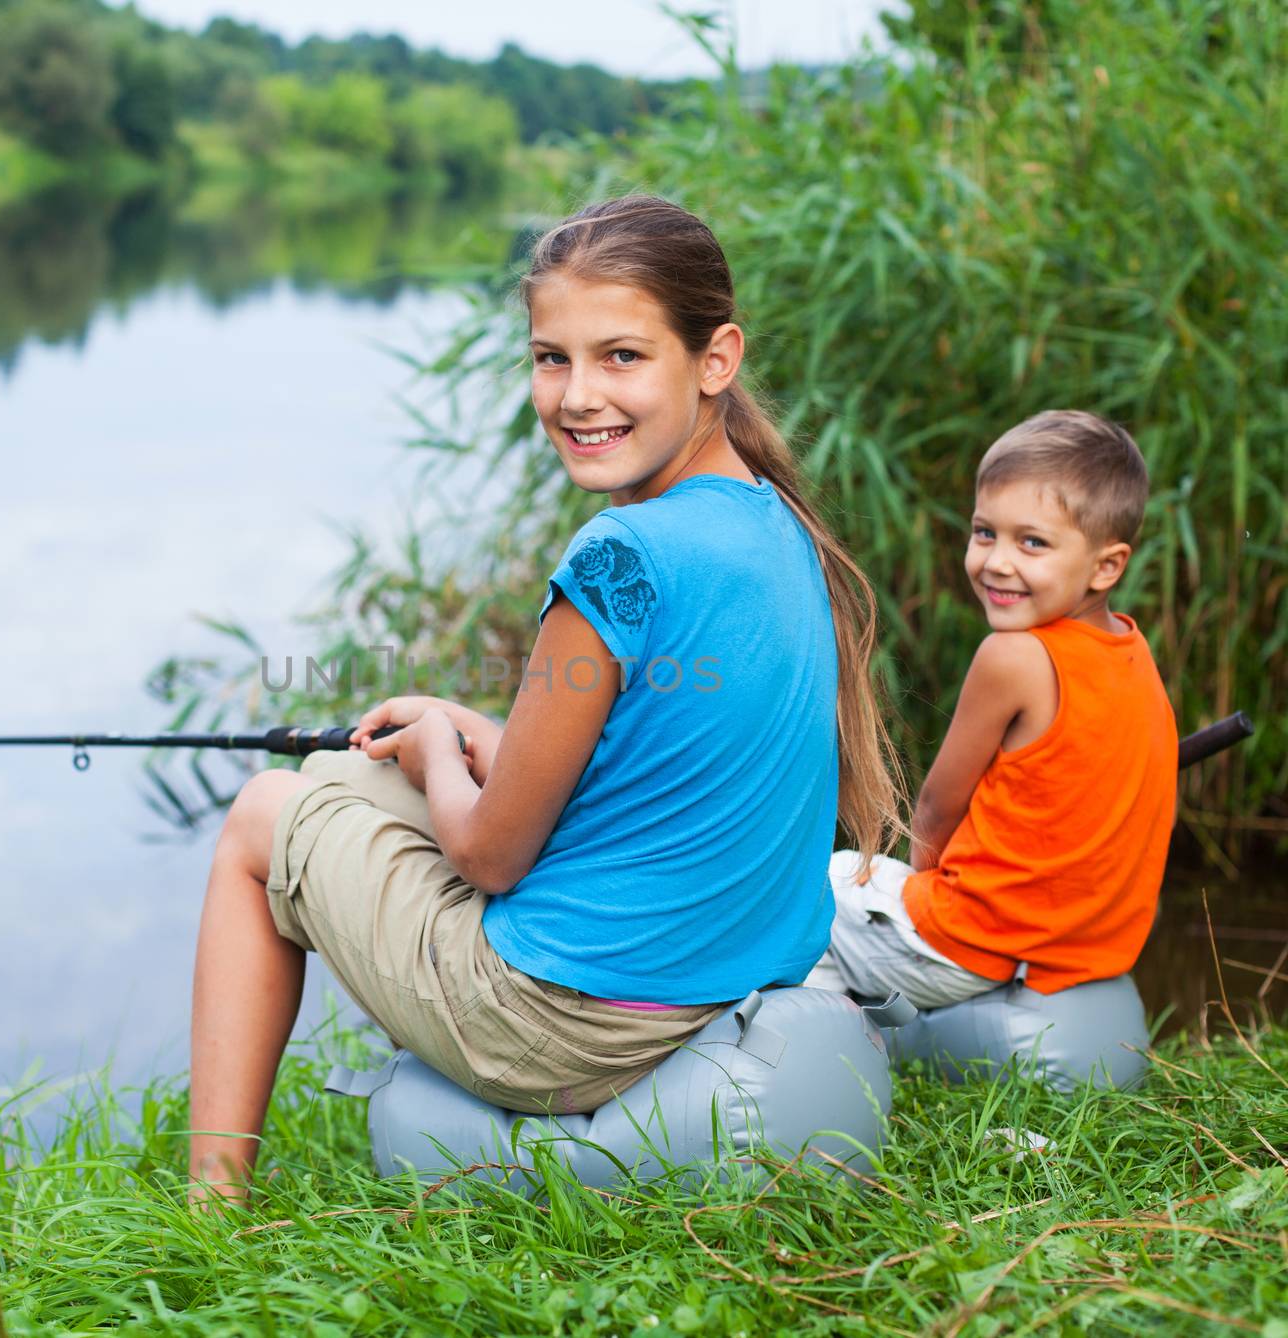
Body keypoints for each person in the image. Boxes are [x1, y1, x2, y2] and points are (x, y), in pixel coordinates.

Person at [188, 195, 902, 1204]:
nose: (575, 396)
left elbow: (489, 857)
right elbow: (658, 742)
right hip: (719, 975)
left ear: (715, 360)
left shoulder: (621, 553)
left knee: (263, 815)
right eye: (550, 358)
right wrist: (479, 733)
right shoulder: (771, 520)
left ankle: (211, 1205)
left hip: (566, 1023)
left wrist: (440, 752)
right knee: (341, 769)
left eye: (620, 357)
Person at [805, 410, 1178, 1009]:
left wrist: (920, 890)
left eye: (1032, 542)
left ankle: (834, 1030)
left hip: (969, 946)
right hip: (1077, 947)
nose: (997, 562)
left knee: (815, 883)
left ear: (1107, 566)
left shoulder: (1013, 656)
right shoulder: (1131, 650)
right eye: (985, 533)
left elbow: (935, 806)